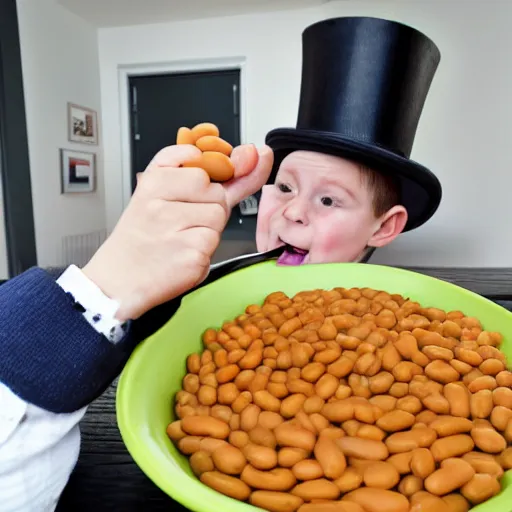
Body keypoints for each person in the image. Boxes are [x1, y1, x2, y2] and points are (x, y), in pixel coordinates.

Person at [0, 15, 442, 512]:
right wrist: (106, 285)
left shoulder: (416, 330)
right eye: (285, 187)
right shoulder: (191, 304)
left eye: (329, 201)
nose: (292, 210)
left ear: (385, 227)